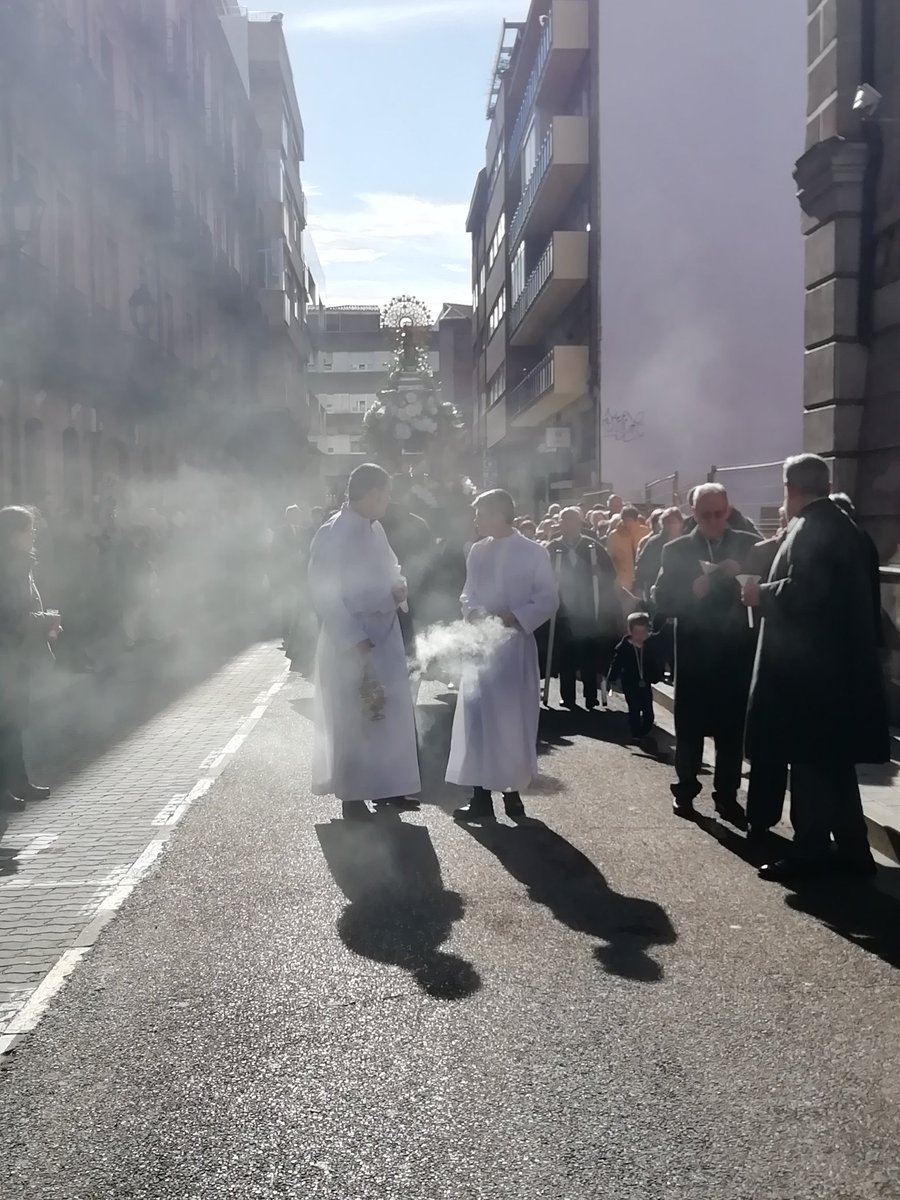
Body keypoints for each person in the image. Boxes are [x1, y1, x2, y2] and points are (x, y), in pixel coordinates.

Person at [743, 456, 888, 880]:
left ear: (789, 489)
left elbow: (805, 592)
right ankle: (854, 850)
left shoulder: (812, 528)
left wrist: (760, 593)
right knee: (835, 764)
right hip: (838, 670)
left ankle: (809, 854)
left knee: (808, 763)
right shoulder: (845, 526)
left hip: (812, 675)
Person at [308, 464, 421, 821]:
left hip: (384, 634)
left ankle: (387, 788)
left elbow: (391, 568)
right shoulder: (332, 532)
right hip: (351, 639)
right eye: (387, 493)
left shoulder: (376, 529)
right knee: (353, 717)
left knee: (388, 715)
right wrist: (353, 637)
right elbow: (323, 593)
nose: (389, 501)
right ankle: (353, 797)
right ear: (372, 494)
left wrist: (399, 587)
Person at [447, 489, 559, 822]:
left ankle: (512, 797)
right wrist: (475, 612)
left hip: (513, 649)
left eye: (481, 513)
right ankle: (480, 798)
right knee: (478, 722)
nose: (476, 520)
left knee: (510, 724)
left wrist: (512, 617)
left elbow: (548, 599)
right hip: (480, 648)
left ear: (499, 514)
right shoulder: (477, 551)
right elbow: (467, 594)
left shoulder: (534, 552)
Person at [652, 484, 758, 825]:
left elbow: (765, 585)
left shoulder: (747, 543)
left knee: (731, 731)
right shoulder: (676, 549)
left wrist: (741, 577)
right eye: (704, 514)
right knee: (690, 728)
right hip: (696, 652)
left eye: (718, 513)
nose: (713, 520)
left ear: (727, 510)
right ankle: (684, 789)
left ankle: (727, 797)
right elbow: (663, 600)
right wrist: (692, 592)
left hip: (735, 650)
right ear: (692, 514)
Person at [0, 507, 61, 813]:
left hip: (16, 656)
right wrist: (44, 620)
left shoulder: (21, 564)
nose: (34, 535)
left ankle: (17, 780)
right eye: (29, 530)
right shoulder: (9, 566)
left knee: (13, 722)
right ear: (14, 534)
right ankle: (7, 787)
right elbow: (10, 616)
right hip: (6, 655)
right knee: (6, 724)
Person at [546, 507, 619, 709]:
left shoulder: (592, 547)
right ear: (560, 524)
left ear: (580, 524)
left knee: (588, 654)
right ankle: (567, 696)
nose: (569, 525)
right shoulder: (552, 548)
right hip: (563, 611)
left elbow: (610, 575)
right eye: (565, 521)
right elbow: (540, 577)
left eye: (573, 521)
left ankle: (590, 695)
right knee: (566, 655)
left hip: (587, 610)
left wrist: (599, 574)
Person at [607, 613, 665, 741]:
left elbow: (655, 661)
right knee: (634, 708)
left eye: (643, 632)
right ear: (630, 631)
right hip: (630, 682)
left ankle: (646, 727)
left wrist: (657, 675)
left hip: (645, 682)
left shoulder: (649, 645)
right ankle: (636, 732)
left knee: (648, 710)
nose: (640, 636)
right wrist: (612, 678)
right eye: (637, 632)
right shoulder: (624, 647)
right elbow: (616, 663)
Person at [634, 506, 685, 602]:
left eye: (674, 522)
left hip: (681, 593)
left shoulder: (685, 542)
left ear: (681, 523)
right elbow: (642, 566)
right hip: (656, 591)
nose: (671, 526)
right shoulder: (654, 543)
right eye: (668, 523)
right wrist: (639, 588)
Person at [607, 505, 651, 593]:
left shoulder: (646, 532)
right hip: (623, 582)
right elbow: (609, 558)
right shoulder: (614, 536)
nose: (627, 524)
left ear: (636, 519)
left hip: (643, 580)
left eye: (630, 521)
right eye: (625, 521)